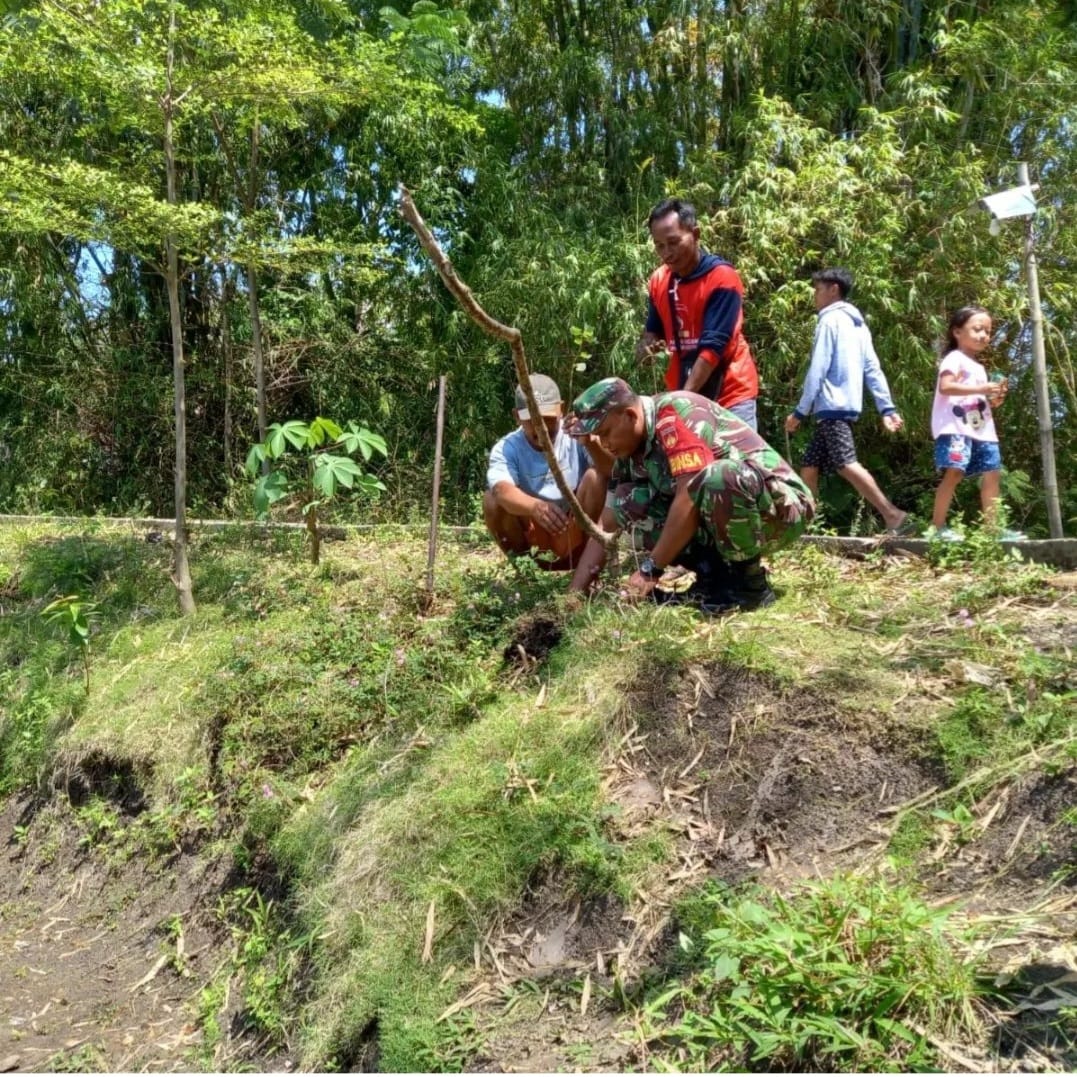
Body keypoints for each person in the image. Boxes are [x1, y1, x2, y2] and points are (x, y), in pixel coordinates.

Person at [563, 377, 814, 611]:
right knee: (631, 498)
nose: (603, 443)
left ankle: (750, 585)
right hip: (733, 520)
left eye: (605, 433)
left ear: (629, 415)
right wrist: (574, 595)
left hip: (781, 512)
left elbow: (688, 494)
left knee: (718, 476)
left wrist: (651, 569)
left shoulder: (677, 413)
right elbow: (607, 523)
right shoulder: (631, 451)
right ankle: (713, 580)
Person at [784, 268, 912, 535]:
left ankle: (893, 515)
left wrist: (800, 411)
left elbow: (818, 369)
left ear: (833, 290)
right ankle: (809, 526)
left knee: (845, 463)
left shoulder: (830, 321)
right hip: (844, 406)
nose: (815, 296)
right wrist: (886, 407)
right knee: (810, 465)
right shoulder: (859, 325)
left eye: (818, 290)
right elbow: (872, 369)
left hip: (832, 405)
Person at [635, 198, 760, 430]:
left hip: (730, 395)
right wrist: (646, 345)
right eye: (659, 245)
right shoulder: (659, 280)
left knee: (735, 466)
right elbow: (653, 329)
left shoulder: (722, 278)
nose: (667, 253)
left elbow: (712, 349)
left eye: (673, 242)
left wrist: (684, 401)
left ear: (695, 234)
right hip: (684, 390)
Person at [483, 374, 609, 569]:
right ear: (517, 416)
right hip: (535, 540)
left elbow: (611, 470)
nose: (541, 428)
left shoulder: (577, 435)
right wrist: (535, 507)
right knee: (492, 500)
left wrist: (592, 443)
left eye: (548, 419)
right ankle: (525, 570)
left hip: (576, 533)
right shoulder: (507, 447)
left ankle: (587, 565)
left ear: (562, 409)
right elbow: (501, 489)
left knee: (595, 477)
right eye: (532, 420)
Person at [926, 306, 1023, 542]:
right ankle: (936, 528)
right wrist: (982, 388)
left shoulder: (979, 367)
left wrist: (995, 397)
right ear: (957, 332)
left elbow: (979, 400)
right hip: (956, 428)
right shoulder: (954, 358)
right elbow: (946, 387)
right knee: (955, 473)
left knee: (992, 473)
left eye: (988, 331)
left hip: (981, 429)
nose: (984, 335)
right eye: (977, 329)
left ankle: (992, 530)